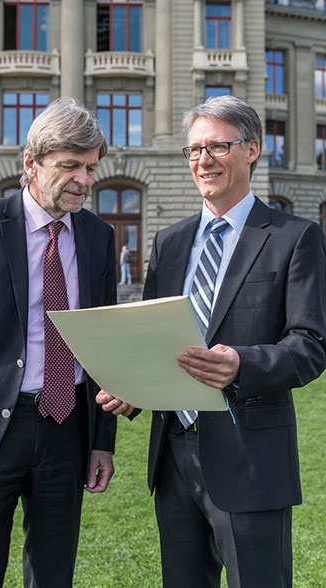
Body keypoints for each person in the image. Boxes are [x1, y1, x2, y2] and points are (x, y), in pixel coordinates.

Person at [97, 95, 326, 588]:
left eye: (218, 147)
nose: (203, 160)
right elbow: (155, 337)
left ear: (252, 150)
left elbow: (310, 345)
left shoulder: (295, 237)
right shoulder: (170, 242)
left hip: (250, 458)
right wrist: (130, 386)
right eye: (195, 150)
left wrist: (243, 364)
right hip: (173, 458)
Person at [0, 97, 117, 588]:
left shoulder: (100, 236)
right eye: (70, 166)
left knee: (54, 576)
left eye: (91, 167)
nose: (84, 179)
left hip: (67, 429)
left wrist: (102, 441)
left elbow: (104, 345)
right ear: (30, 163)